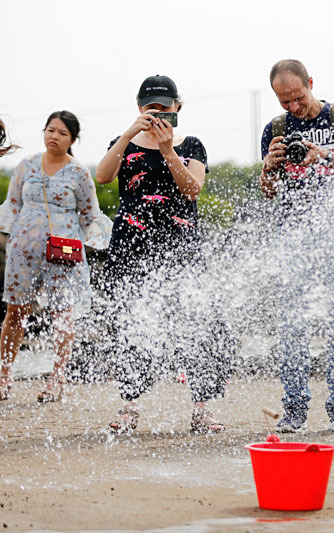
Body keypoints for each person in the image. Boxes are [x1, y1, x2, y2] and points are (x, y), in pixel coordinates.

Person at [96, 75, 229, 434]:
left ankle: (202, 409)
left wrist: (168, 149)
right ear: (139, 108)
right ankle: (129, 407)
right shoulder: (122, 143)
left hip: (181, 249)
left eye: (164, 107)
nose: (158, 114)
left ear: (177, 108)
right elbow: (103, 176)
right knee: (129, 325)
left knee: (199, 324)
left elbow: (192, 190)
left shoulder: (193, 146)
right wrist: (127, 136)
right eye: (150, 107)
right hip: (131, 248)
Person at [259, 59, 334, 434]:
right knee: (292, 325)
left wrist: (323, 154)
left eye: (298, 97)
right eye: (284, 101)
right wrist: (267, 170)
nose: (293, 108)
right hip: (293, 238)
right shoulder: (274, 130)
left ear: (310, 83)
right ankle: (294, 408)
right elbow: (269, 192)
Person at [0, 111, 111, 402]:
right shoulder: (26, 165)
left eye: (62, 133)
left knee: (62, 315)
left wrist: (85, 246)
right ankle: (4, 377)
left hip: (62, 254)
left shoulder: (78, 172)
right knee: (15, 313)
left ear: (73, 139)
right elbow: (12, 205)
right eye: (50, 130)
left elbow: (90, 215)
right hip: (23, 251)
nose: (54, 137)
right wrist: (9, 240)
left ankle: (56, 380)